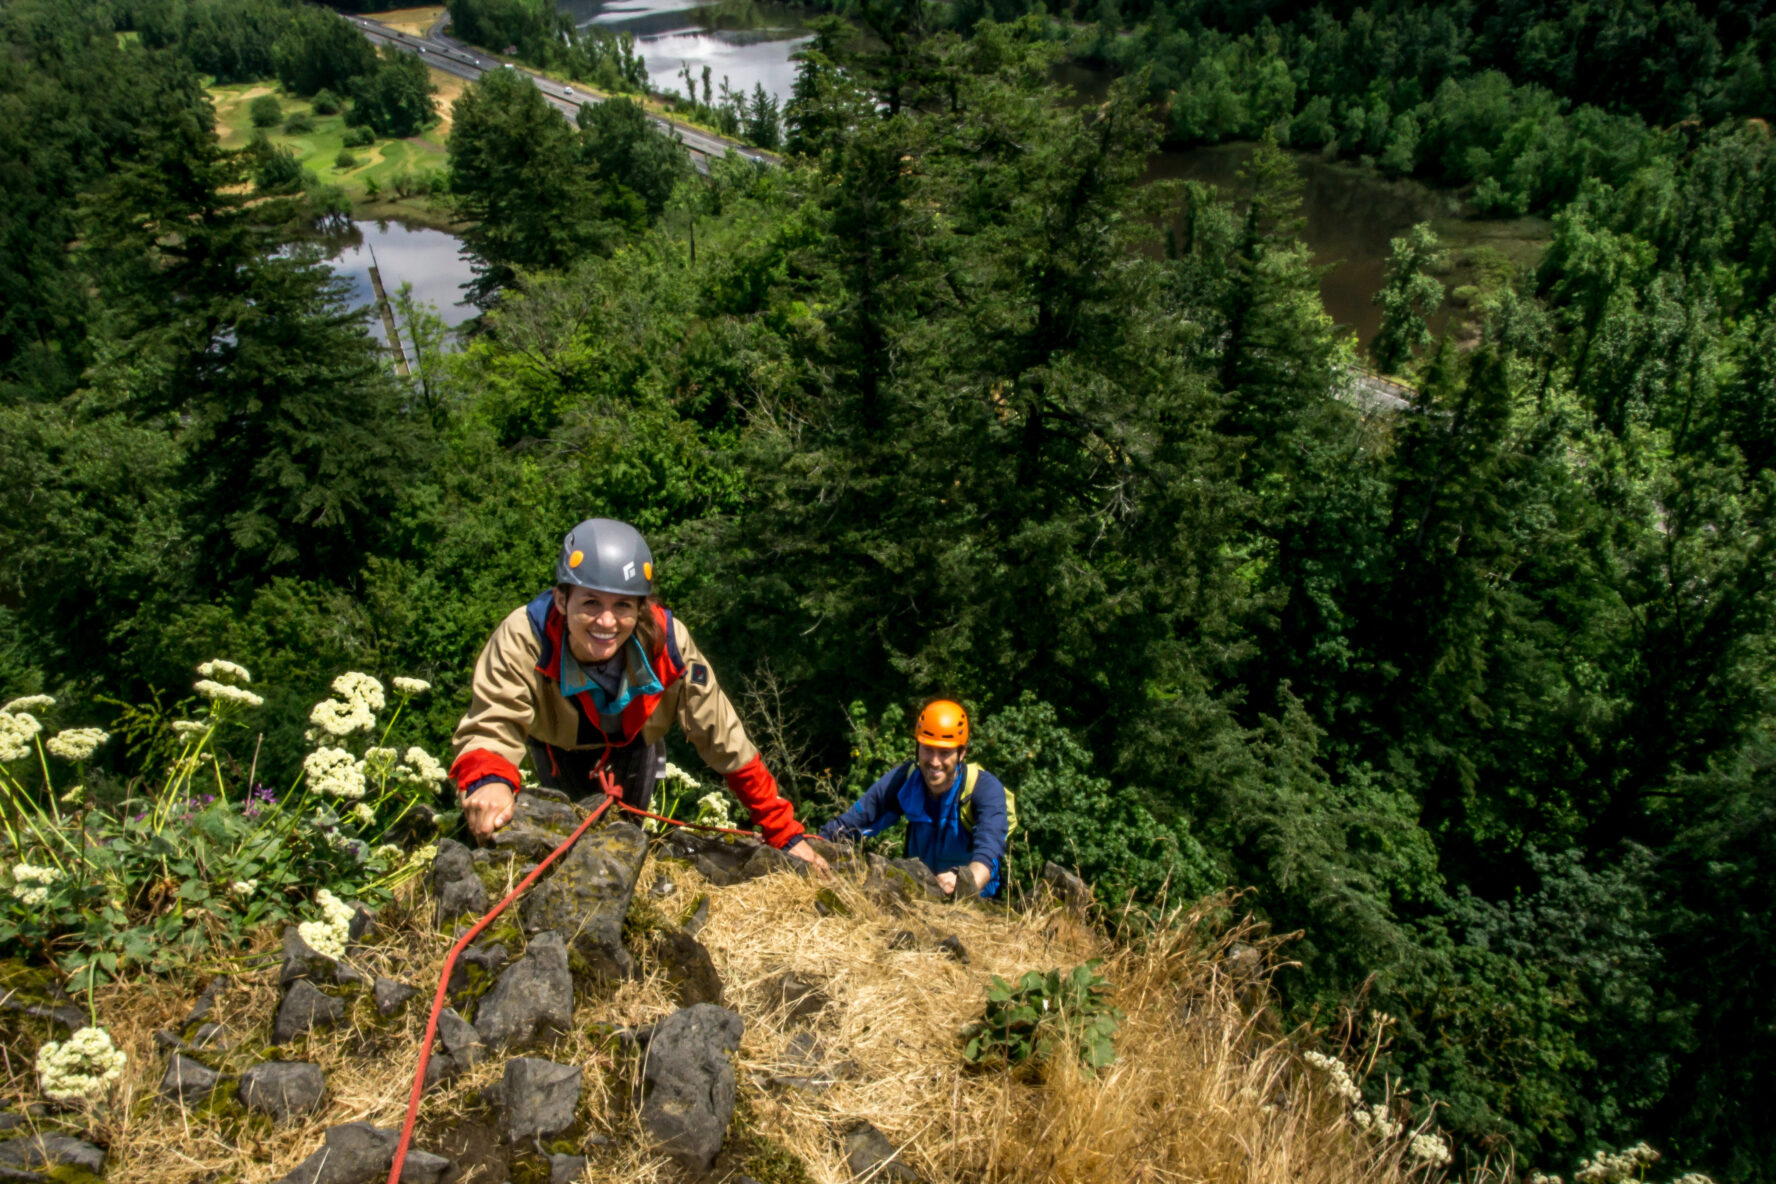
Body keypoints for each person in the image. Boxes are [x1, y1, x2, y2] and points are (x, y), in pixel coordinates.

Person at [449, 517, 828, 873]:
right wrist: (488, 780)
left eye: (623, 606)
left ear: (641, 607)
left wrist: (783, 831)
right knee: (568, 850)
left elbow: (721, 734)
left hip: (633, 747)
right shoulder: (525, 637)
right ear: (562, 601)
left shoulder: (669, 644)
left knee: (625, 847)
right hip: (557, 748)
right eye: (591, 602)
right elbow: (494, 717)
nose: (607, 622)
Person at [819, 700, 1010, 897]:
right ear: (917, 747)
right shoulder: (906, 780)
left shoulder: (983, 789)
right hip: (921, 898)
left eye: (945, 752)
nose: (934, 762)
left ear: (961, 753)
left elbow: (989, 851)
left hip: (976, 904)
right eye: (927, 749)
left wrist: (964, 882)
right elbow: (849, 825)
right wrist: (809, 847)